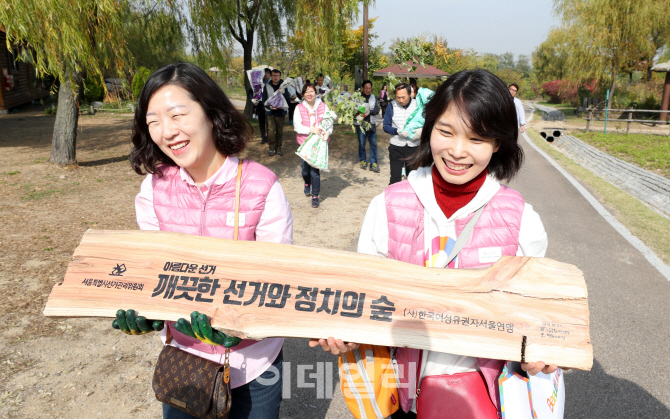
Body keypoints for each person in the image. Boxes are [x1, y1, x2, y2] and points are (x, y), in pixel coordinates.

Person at [311, 70, 558, 419]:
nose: (457, 151)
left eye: (477, 139)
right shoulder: (387, 206)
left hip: (483, 401)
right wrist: (349, 334)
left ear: (498, 142)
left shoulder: (521, 219)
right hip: (399, 394)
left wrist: (543, 353)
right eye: (446, 132)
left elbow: (535, 317)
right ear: (429, 129)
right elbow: (366, 298)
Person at [124, 62, 293, 419]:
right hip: (185, 359)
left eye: (177, 115)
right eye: (153, 121)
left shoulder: (262, 186)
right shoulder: (152, 190)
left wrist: (243, 326)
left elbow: (278, 279)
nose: (167, 132)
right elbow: (154, 273)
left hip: (255, 363)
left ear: (210, 110)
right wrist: (146, 310)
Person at [293, 83, 334, 209]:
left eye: (311, 91)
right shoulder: (299, 107)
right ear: (303, 95)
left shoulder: (323, 106)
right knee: (306, 171)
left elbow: (329, 123)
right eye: (306, 92)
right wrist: (311, 130)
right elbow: (297, 126)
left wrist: (328, 132)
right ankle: (307, 183)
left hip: (319, 144)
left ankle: (315, 196)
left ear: (316, 93)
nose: (309, 94)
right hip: (305, 144)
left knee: (315, 171)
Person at [383, 82, 418, 185]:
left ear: (409, 94)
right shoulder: (391, 106)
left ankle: (412, 200)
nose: (401, 100)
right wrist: (396, 131)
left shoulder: (417, 105)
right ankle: (393, 200)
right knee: (395, 177)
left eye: (403, 97)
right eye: (398, 97)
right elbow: (386, 126)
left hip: (413, 147)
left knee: (412, 178)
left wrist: (420, 132)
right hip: (396, 146)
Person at [263, 69, 292, 156]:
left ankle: (278, 148)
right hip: (270, 112)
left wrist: (284, 93)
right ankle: (271, 148)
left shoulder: (284, 86)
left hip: (280, 112)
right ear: (271, 76)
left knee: (279, 132)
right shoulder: (267, 86)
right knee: (271, 131)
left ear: (280, 76)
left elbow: (289, 99)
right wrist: (269, 106)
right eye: (274, 75)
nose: (276, 77)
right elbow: (264, 99)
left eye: (277, 75)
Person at [355, 79, 381, 172]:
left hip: (371, 125)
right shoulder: (357, 98)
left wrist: (370, 111)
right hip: (360, 125)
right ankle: (363, 160)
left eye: (370, 88)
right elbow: (354, 111)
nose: (368, 90)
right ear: (362, 88)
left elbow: (377, 109)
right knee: (362, 144)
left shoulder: (374, 98)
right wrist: (360, 112)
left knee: (373, 144)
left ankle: (373, 163)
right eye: (366, 88)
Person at [257, 68, 271, 144]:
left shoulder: (271, 83)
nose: (266, 74)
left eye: (268, 73)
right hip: (260, 105)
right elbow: (251, 91)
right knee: (261, 122)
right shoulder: (258, 82)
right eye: (265, 73)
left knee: (268, 123)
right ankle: (263, 137)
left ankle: (268, 137)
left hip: (268, 105)